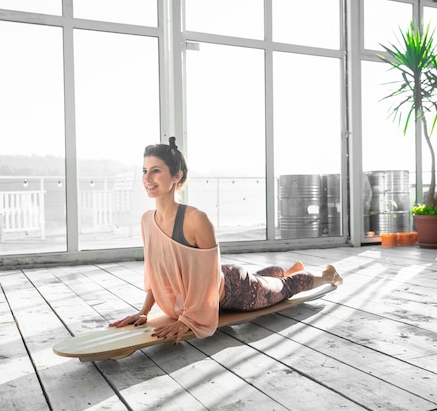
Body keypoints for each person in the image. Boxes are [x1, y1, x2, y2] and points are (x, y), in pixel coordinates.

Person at [109, 137, 343, 343]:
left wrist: (189, 320)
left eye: (156, 170)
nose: (147, 178)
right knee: (265, 279)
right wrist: (144, 311)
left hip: (234, 290)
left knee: (287, 287)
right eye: (144, 171)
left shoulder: (196, 220)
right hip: (214, 283)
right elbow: (156, 273)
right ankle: (289, 269)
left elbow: (208, 279)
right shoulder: (147, 220)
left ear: (177, 176)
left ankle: (326, 275)